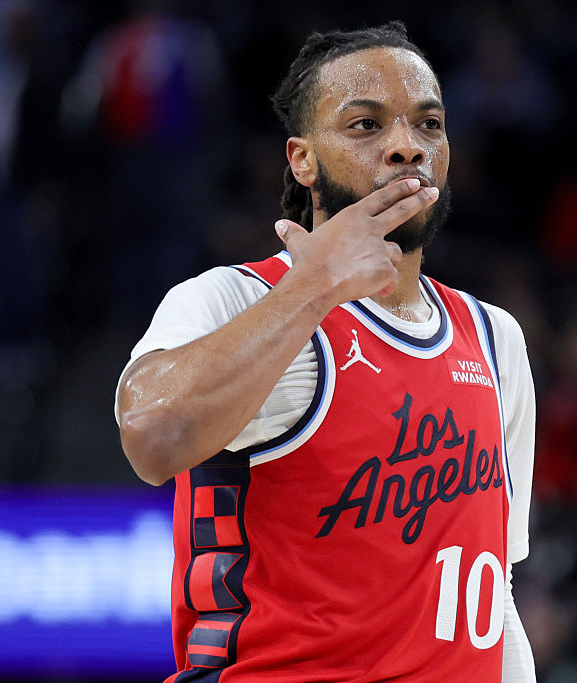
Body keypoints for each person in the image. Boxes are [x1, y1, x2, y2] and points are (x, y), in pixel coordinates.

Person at [116, 22, 537, 681]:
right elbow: (152, 438)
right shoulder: (233, 298)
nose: (407, 146)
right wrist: (314, 285)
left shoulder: (494, 338)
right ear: (302, 160)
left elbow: (493, 594)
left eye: (429, 124)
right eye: (366, 125)